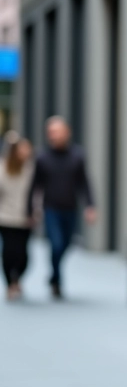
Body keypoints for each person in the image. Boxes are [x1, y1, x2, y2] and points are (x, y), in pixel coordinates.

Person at [27, 116, 96, 299]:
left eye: (56, 131)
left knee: (66, 244)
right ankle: (56, 280)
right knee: (56, 244)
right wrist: (29, 210)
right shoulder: (42, 157)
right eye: (50, 132)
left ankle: (53, 275)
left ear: (67, 132)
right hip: (51, 209)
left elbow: (84, 182)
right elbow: (34, 186)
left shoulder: (77, 156)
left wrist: (90, 205)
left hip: (70, 209)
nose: (53, 135)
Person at [0, 131, 35, 300]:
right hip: (6, 217)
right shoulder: (2, 168)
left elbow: (38, 193)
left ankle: (17, 278)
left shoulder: (31, 169)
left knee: (23, 255)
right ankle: (9, 284)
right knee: (8, 251)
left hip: (25, 218)